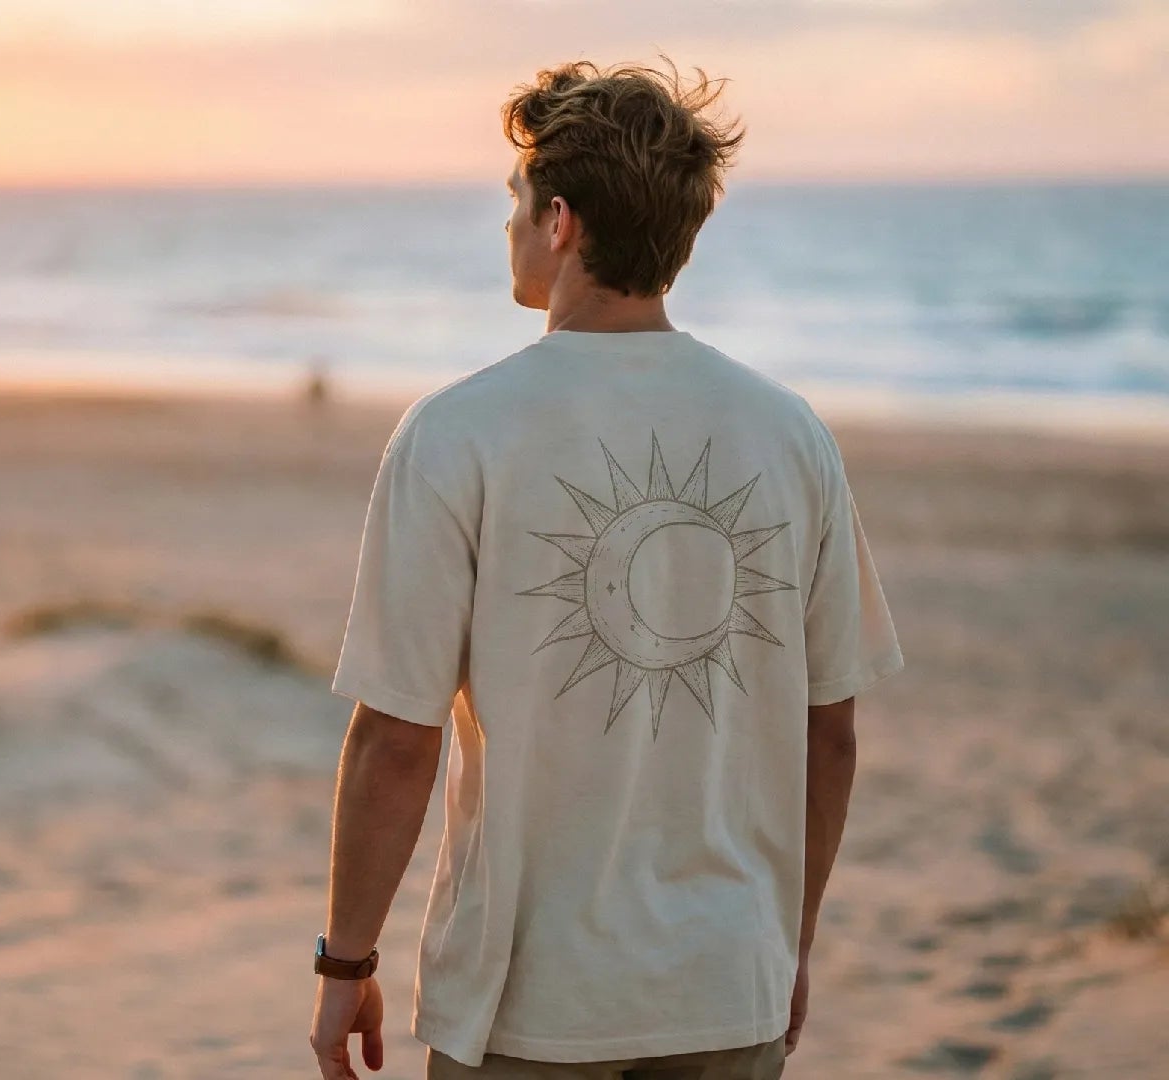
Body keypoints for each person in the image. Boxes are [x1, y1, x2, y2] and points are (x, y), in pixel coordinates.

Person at [308, 59, 903, 1080]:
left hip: (532, 1004)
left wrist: (344, 960)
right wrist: (787, 943)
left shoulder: (457, 433)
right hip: (727, 988)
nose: (506, 224)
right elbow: (831, 730)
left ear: (561, 223)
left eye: (515, 200)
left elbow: (397, 738)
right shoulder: (790, 434)